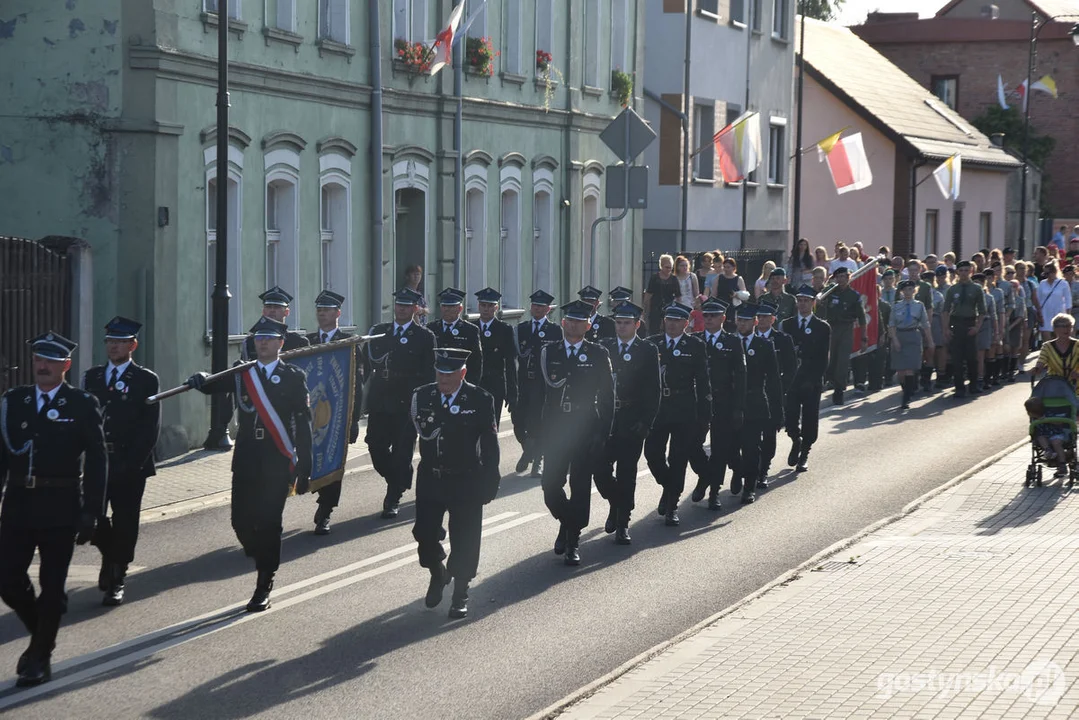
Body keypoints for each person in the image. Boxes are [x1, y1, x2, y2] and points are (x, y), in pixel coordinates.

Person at [0, 332, 106, 687]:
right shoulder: (14, 401)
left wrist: (92, 510)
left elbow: (97, 460)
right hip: (17, 504)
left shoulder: (81, 403)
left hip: (60, 505)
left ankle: (39, 658)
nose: (42, 366)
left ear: (66, 365)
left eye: (50, 360)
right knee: (8, 581)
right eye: (37, 359)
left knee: (52, 585)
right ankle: (41, 639)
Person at [187, 317, 313, 613]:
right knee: (240, 522)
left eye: (269, 338)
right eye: (259, 338)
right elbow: (212, 385)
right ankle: (262, 558)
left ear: (280, 343)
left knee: (269, 524)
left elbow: (304, 426)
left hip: (276, 459)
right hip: (245, 458)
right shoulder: (243, 373)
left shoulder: (293, 377)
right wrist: (199, 379)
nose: (263, 343)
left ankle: (264, 583)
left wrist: (305, 468)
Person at [410, 347, 500, 619]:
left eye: (449, 374)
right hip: (431, 477)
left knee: (466, 537)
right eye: (440, 372)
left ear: (462, 373)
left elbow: (489, 443)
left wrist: (490, 478)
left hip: (466, 478)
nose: (443, 379)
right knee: (424, 533)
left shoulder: (480, 398)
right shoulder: (422, 396)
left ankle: (460, 592)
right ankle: (438, 571)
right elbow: (410, 433)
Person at [83, 316, 160, 606]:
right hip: (97, 463)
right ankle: (109, 556)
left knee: (126, 522)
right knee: (93, 518)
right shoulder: (91, 377)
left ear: (133, 345)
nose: (113, 347)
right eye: (110, 342)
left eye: (120, 342)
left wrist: (133, 463)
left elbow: (149, 427)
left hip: (130, 463)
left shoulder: (145, 379)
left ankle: (117, 575)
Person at [538, 300, 614, 565]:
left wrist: (603, 433)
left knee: (580, 485)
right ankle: (568, 521)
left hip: (585, 425)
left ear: (588, 325)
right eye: (570, 320)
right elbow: (540, 394)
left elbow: (607, 396)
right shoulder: (549, 352)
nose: (574, 325)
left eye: (580, 321)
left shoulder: (597, 353)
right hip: (557, 427)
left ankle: (573, 539)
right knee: (550, 485)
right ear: (563, 323)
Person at [364, 288, 437, 517]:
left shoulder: (424, 337)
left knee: (402, 452)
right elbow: (365, 366)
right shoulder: (379, 332)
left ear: (415, 309)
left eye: (406, 306)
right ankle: (400, 479)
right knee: (375, 447)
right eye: (398, 305)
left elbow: (429, 375)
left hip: (407, 402)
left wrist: (424, 405)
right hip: (380, 399)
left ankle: (393, 497)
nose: (401, 309)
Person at [596, 302, 661, 543]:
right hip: (606, 420)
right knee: (599, 469)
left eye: (626, 323)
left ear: (637, 324)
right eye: (618, 322)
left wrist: (646, 422)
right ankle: (616, 501)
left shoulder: (647, 350)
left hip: (632, 419)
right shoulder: (604, 347)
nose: (621, 327)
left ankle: (623, 521)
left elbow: (654, 389)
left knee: (627, 472)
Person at [305, 290, 365, 535]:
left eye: (327, 310)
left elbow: (357, 386)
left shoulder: (349, 344)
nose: (322, 314)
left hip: (338, 415)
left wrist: (354, 420)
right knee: (310, 461)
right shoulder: (306, 343)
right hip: (309, 417)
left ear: (338, 314)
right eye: (319, 310)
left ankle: (326, 510)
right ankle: (319, 495)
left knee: (333, 459)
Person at [645, 301, 711, 526]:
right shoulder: (652, 344)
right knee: (653, 455)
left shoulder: (695, 345)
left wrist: (705, 416)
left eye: (676, 321)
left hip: (684, 407)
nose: (671, 324)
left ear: (686, 323)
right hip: (658, 408)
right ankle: (668, 486)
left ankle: (672, 504)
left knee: (678, 459)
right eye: (668, 320)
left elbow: (703, 382)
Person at [690, 299, 745, 510]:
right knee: (692, 445)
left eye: (714, 316)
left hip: (723, 401)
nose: (709, 319)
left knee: (720, 448)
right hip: (699, 402)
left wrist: (738, 407)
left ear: (723, 318)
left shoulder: (732, 342)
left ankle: (714, 492)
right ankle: (705, 476)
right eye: (706, 315)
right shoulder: (694, 340)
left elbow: (740, 376)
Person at [732, 306, 784, 504]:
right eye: (739, 320)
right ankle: (738, 471)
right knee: (730, 448)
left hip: (754, 403)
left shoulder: (764, 345)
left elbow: (773, 381)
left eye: (746, 321)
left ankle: (749, 487)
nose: (742, 324)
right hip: (731, 403)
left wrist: (777, 411)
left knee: (751, 448)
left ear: (754, 322)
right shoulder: (729, 343)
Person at [780, 287, 830, 471]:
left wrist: (814, 379)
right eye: (800, 300)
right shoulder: (787, 325)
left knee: (810, 417)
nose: (802, 304)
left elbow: (823, 357)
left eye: (806, 301)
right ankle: (796, 439)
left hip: (811, 379)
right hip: (792, 379)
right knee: (790, 417)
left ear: (813, 303)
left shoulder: (822, 327)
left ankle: (805, 452)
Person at [513, 290, 562, 477]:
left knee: (538, 421)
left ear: (548, 309)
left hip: (543, 383)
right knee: (518, 420)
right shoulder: (521, 329)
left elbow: (558, 358)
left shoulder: (555, 330)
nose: (537, 309)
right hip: (523, 381)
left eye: (541, 306)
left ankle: (536, 461)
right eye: (535, 305)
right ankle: (529, 450)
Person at [752, 303, 795, 487]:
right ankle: (752, 467)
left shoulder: (783, 340)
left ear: (773, 319)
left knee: (769, 434)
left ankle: (763, 469)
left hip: (773, 394)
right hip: (752, 394)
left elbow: (791, 368)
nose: (761, 320)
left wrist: (780, 389)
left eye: (765, 317)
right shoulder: (747, 339)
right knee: (750, 435)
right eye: (759, 316)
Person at [821, 266, 868, 404]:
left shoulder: (854, 296)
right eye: (838, 277)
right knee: (831, 359)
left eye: (843, 277)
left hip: (846, 328)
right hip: (830, 328)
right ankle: (830, 380)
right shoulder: (830, 292)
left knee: (842, 360)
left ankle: (839, 390)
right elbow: (818, 298)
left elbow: (862, 318)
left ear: (848, 278)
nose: (841, 280)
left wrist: (864, 338)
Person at [942, 260, 986, 399]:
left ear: (971, 272)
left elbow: (982, 311)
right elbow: (945, 310)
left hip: (970, 324)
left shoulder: (977, 289)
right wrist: (946, 329)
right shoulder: (952, 289)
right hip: (956, 325)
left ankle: (973, 385)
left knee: (972, 358)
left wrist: (977, 327)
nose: (963, 273)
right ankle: (959, 387)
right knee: (957, 359)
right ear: (957, 272)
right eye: (961, 271)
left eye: (966, 270)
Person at [475, 287, 518, 427]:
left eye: (490, 306)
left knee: (491, 427)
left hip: (495, 385)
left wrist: (512, 391)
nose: (486, 309)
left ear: (496, 307)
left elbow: (510, 362)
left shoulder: (504, 329)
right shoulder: (471, 328)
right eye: (483, 305)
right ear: (478, 306)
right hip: (474, 384)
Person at [889, 280, 932, 410]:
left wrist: (930, 341)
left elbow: (925, 324)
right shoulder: (896, 306)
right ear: (902, 292)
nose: (908, 292)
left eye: (910, 289)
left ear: (914, 290)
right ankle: (906, 389)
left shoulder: (919, 306)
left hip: (913, 335)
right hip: (900, 335)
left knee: (909, 368)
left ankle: (906, 398)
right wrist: (895, 339)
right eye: (905, 290)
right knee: (901, 371)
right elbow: (891, 325)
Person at [428, 287, 483, 380]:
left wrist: (470, 387)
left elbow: (476, 362)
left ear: (460, 308)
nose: (447, 309)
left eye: (451, 306)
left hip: (460, 382)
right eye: (444, 306)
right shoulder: (431, 328)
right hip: (436, 382)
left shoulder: (470, 330)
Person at [241, 286, 310, 360]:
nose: (272, 310)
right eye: (268, 306)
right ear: (263, 311)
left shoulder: (298, 342)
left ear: (286, 312)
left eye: (277, 307)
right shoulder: (251, 342)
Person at [1035, 313, 1079, 393]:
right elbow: (1041, 363)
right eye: (1063, 326)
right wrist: (1036, 369)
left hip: (1076, 388)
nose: (1067, 328)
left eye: (1070, 325)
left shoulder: (1078, 345)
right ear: (1054, 328)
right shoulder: (1047, 346)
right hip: (1054, 388)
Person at [643, 254, 680, 334]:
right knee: (654, 329)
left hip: (669, 307)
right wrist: (645, 309)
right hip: (655, 307)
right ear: (661, 266)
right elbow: (649, 294)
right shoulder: (654, 278)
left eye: (670, 267)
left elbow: (678, 296)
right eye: (666, 267)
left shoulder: (674, 279)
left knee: (669, 329)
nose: (668, 269)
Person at [1037, 262, 1072, 342]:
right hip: (1045, 314)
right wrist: (1038, 314)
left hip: (1059, 313)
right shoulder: (1042, 283)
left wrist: (1068, 316)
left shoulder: (1063, 284)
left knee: (1059, 339)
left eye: (1048, 273)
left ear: (1054, 272)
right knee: (1046, 340)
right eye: (1045, 273)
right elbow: (1038, 299)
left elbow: (1068, 301)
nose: (1046, 275)